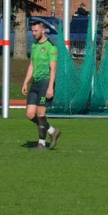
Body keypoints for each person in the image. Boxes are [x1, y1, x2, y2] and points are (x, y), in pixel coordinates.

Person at [22, 20, 61, 150]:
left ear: (43, 31)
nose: (33, 33)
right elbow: (32, 65)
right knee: (30, 114)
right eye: (32, 31)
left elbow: (53, 69)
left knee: (40, 113)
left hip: (45, 84)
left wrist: (50, 87)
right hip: (35, 84)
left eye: (36, 31)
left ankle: (41, 143)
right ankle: (51, 131)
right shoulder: (34, 46)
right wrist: (25, 82)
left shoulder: (51, 47)